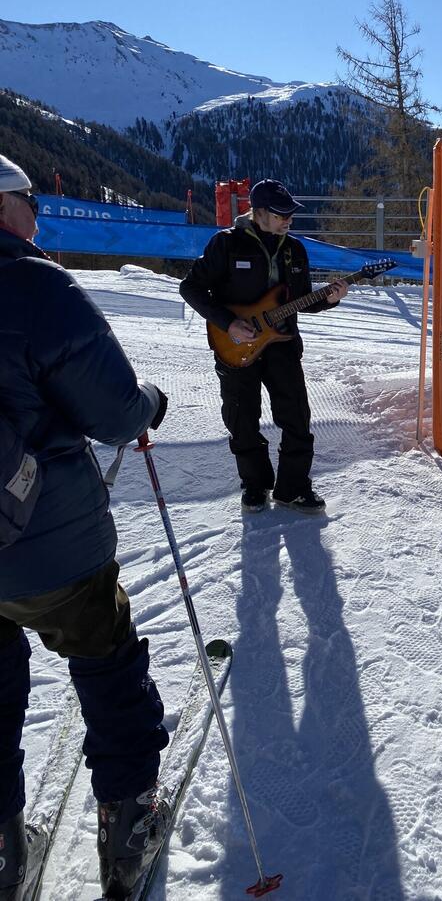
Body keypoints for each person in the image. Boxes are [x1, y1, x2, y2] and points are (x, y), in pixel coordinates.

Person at [0, 155, 171, 900]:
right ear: (8, 206)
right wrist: (152, 403)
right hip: (46, 543)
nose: (36, 216)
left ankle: (3, 856)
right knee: (106, 664)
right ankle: (127, 833)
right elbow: (113, 411)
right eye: (30, 200)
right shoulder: (36, 286)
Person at [179, 178, 349, 514]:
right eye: (281, 213)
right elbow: (191, 288)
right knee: (242, 419)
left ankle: (293, 487)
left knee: (297, 417)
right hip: (235, 345)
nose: (289, 219)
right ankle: (254, 486)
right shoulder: (225, 245)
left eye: (291, 213)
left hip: (283, 344)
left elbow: (301, 300)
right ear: (257, 213)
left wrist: (328, 299)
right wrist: (229, 324)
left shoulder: (294, 250)